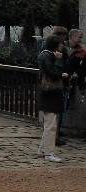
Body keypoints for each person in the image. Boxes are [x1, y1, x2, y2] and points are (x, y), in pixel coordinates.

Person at [37, 34, 67, 162]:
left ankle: (43, 149)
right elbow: (53, 73)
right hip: (50, 94)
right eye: (61, 44)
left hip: (48, 94)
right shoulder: (48, 56)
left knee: (49, 123)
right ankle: (49, 152)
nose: (62, 46)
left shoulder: (45, 54)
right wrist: (59, 61)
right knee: (51, 125)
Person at [62, 28, 86, 144]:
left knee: (67, 105)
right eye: (79, 37)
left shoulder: (81, 52)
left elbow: (82, 68)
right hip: (62, 79)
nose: (80, 40)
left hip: (73, 81)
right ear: (71, 37)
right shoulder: (63, 48)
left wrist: (78, 74)